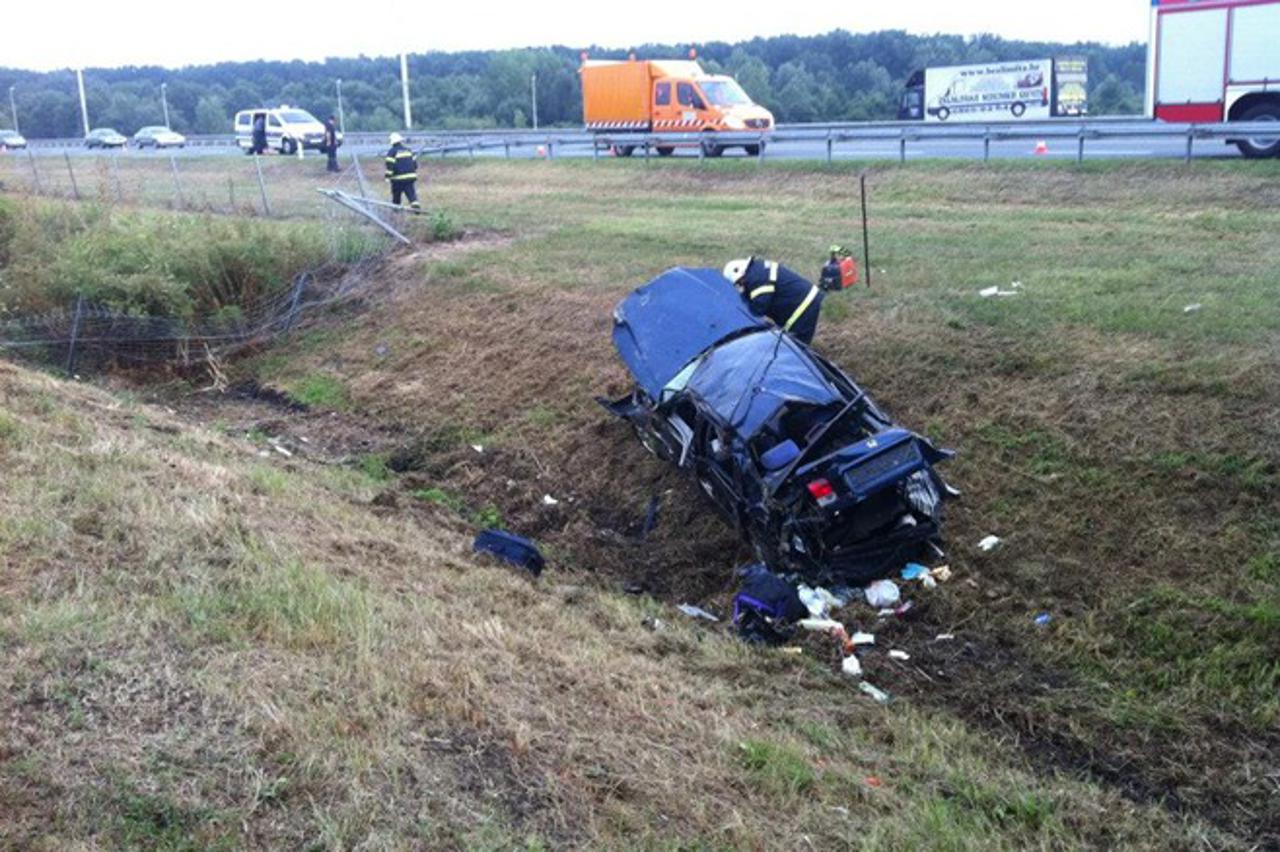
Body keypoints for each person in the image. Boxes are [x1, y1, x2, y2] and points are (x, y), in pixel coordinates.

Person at [722, 256, 824, 345]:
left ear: (741, 273)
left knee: (796, 344)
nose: (741, 285)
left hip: (804, 305)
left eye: (739, 282)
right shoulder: (757, 269)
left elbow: (759, 308)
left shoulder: (757, 278)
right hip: (804, 301)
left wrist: (743, 300)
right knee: (791, 341)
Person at [384, 132, 420, 211]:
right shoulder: (408, 150)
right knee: (411, 194)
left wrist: (387, 177)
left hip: (398, 178)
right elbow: (415, 165)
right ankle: (416, 207)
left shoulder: (392, 152)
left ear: (392, 142)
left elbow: (389, 166)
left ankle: (396, 209)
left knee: (396, 195)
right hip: (410, 177)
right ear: (400, 141)